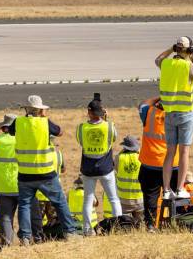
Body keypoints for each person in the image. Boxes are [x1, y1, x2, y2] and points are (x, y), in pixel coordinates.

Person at [11, 95, 78, 244]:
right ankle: (70, 232)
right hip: (45, 173)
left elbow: (10, 131)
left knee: (24, 205)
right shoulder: (45, 123)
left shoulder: (18, 122)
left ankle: (26, 237)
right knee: (60, 202)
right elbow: (60, 132)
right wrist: (44, 117)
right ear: (40, 110)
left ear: (26, 109)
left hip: (25, 174)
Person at [155, 36, 193, 201]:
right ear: (189, 49)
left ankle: (167, 189)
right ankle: (180, 187)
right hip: (186, 113)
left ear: (176, 48)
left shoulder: (167, 64)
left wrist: (171, 49)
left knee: (170, 152)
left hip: (170, 113)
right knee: (184, 152)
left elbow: (158, 59)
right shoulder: (187, 65)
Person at [75, 95, 120, 233]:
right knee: (113, 199)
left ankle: (88, 230)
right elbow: (114, 138)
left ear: (88, 112)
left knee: (88, 200)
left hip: (88, 170)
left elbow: (81, 142)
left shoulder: (81, 128)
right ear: (101, 113)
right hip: (106, 169)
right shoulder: (109, 126)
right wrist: (106, 120)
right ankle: (119, 226)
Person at [136, 98, 179, 230]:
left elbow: (142, 104)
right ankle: (176, 222)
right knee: (175, 197)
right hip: (172, 165)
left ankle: (150, 225)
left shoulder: (148, 112)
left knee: (150, 198)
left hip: (150, 163)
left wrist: (160, 96)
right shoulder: (175, 115)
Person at [0, 114, 19, 246]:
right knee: (25, 215)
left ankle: (8, 245)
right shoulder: (22, 140)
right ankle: (27, 241)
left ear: (3, 128)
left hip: (2, 184)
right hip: (21, 182)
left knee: (5, 218)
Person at [115, 136, 143, 222]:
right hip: (139, 199)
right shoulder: (141, 157)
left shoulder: (119, 157)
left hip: (123, 200)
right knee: (140, 222)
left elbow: (116, 169)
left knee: (123, 223)